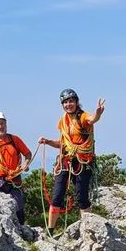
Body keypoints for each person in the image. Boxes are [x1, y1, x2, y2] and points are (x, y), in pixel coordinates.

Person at [37, 88, 104, 233]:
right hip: (66, 160)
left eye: (71, 101)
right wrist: (48, 142)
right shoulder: (63, 121)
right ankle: (50, 231)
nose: (68, 104)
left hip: (82, 161)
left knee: (82, 197)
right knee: (57, 196)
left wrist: (98, 114)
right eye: (65, 102)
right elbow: (63, 143)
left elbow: (92, 120)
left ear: (76, 102)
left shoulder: (83, 116)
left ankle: (88, 230)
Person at [0, 111, 32, 225]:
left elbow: (28, 154)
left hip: (14, 180)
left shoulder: (15, 140)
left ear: (6, 124)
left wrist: (25, 164)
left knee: (18, 209)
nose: (0, 126)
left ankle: (21, 229)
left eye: (2, 123)